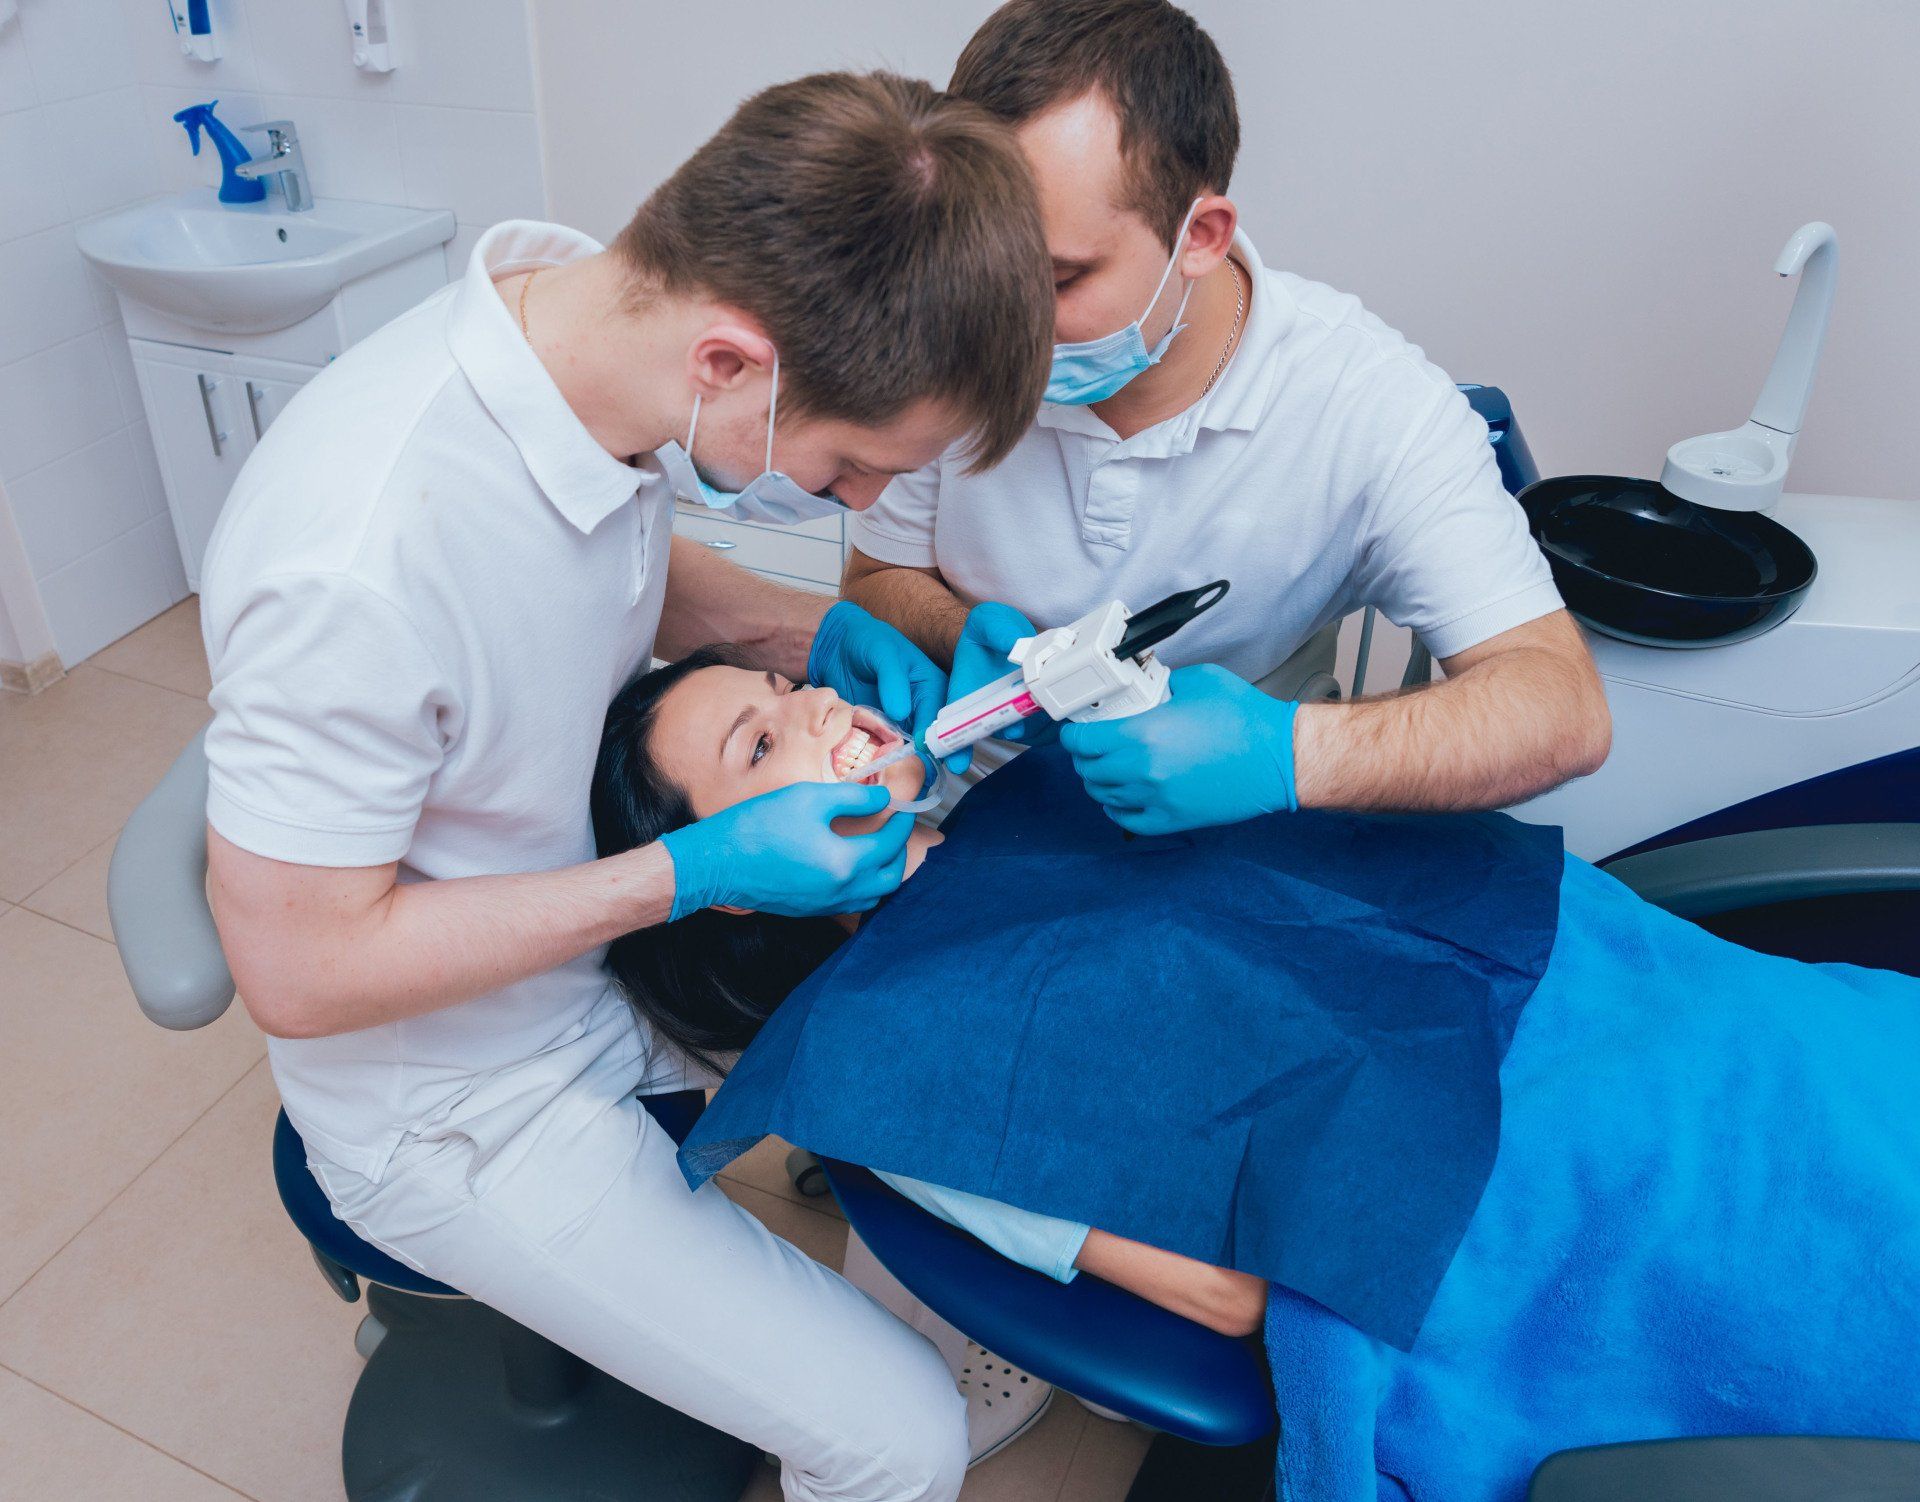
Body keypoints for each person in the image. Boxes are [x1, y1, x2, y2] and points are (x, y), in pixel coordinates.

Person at [198, 73, 1055, 1502]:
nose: (851, 512)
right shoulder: (358, 558)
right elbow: (293, 967)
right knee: (901, 1435)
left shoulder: (593, 345)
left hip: (605, 956)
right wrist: (698, 874)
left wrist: (800, 636)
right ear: (732, 363)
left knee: (957, 1015)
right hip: (463, 1093)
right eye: (849, 468)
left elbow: (599, 569)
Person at [594, 646, 1920, 1501]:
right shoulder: (893, 1079)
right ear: (725, 889)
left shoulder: (1052, 780)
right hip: (1518, 1184)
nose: (814, 704)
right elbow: (1224, 1291)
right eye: (759, 748)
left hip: (1603, 993)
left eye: (778, 686)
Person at [844, 0, 1612, 835]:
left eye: (1058, 280)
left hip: (1231, 843)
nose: (1005, 323)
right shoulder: (949, 340)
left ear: (1200, 236)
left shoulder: (1368, 404)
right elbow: (880, 580)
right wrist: (966, 637)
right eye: (988, 269)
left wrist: (1292, 754)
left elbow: (1560, 708)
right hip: (969, 818)